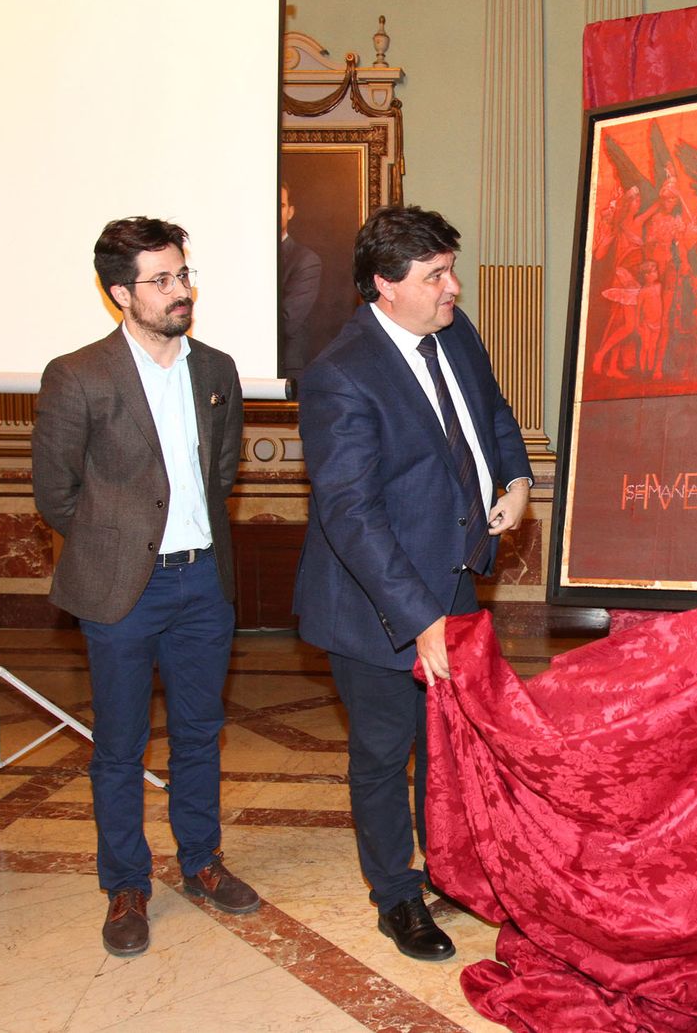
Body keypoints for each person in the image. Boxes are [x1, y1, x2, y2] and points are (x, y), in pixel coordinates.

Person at [293, 204, 531, 962]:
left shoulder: (453, 332)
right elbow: (352, 516)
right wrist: (420, 618)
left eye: (450, 269)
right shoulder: (339, 374)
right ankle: (395, 893)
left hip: (453, 582)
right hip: (376, 604)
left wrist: (517, 478)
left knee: (446, 745)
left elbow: (493, 412)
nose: (453, 287)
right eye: (435, 276)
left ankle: (449, 867)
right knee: (382, 750)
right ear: (384, 284)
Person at [32, 216, 257, 958]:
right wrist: (118, 546)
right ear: (121, 294)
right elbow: (55, 493)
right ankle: (126, 883)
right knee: (120, 745)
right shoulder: (78, 374)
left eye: (182, 274)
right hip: (122, 590)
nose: (179, 290)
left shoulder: (216, 370)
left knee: (199, 732)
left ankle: (201, 860)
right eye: (161, 280)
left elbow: (221, 473)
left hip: (204, 583)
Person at [277, 181, 324, 383]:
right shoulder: (243, 256)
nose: (275, 211)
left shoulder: (305, 260)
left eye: (281, 205)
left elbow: (287, 322)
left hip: (285, 371)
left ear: (290, 212)